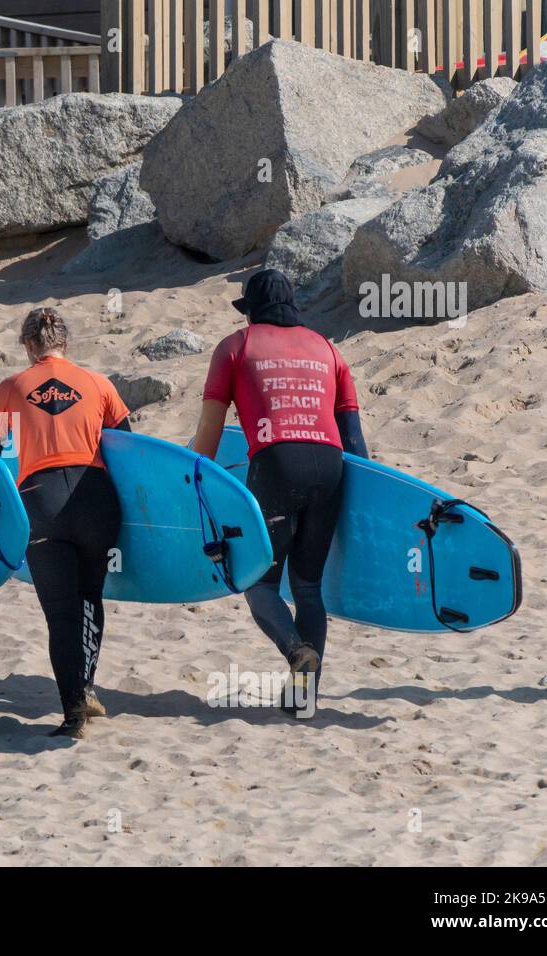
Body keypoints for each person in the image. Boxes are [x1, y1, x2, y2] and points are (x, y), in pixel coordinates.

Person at [190, 269, 368, 715]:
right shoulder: (329, 349)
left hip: (275, 465)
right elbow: (357, 447)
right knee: (308, 586)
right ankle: (303, 699)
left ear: (250, 311)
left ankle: (294, 651)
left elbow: (209, 440)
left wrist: (190, 486)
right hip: (331, 468)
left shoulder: (236, 347)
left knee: (258, 581)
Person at [0, 308, 130, 739]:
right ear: (65, 343)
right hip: (96, 498)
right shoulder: (99, 384)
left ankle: (72, 714)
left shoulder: (11, 387)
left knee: (61, 613)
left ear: (29, 347)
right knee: (90, 597)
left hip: (40, 502)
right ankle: (85, 686)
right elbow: (129, 445)